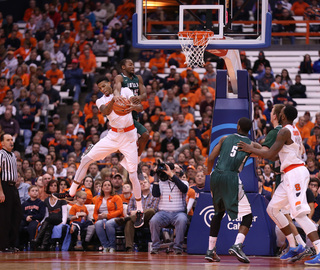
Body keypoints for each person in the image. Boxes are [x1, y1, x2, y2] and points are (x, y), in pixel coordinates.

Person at [238, 106, 320, 266]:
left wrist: (249, 148)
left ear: (282, 116)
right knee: (273, 209)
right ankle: (295, 245)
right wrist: (253, 149)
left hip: (295, 172)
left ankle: (318, 249)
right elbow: (275, 154)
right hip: (289, 174)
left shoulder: (284, 131)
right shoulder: (291, 130)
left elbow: (269, 155)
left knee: (299, 214)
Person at [68, 77, 145, 228]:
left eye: (104, 85)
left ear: (110, 83)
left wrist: (132, 106)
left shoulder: (125, 91)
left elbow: (141, 107)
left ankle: (140, 209)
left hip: (129, 136)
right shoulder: (100, 100)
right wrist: (114, 101)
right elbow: (106, 110)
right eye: (100, 87)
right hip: (113, 135)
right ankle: (71, 191)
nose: (103, 89)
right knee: (85, 159)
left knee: (133, 174)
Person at [205, 117, 254, 264]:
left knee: (218, 213)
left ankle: (210, 250)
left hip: (216, 176)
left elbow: (211, 158)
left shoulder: (225, 138)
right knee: (248, 216)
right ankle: (237, 245)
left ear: (238, 126)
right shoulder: (251, 144)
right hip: (231, 177)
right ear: (249, 130)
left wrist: (209, 175)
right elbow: (266, 152)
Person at [149, 162, 189, 255]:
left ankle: (178, 247)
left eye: (175, 168)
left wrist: (171, 175)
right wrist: (156, 176)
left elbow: (183, 189)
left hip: (179, 213)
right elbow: (155, 194)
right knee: (153, 221)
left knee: (182, 220)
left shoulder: (184, 182)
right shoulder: (161, 182)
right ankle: (155, 247)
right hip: (163, 213)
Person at [114, 58, 148, 158]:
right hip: (124, 112)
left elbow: (144, 95)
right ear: (123, 67)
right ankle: (136, 156)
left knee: (133, 141)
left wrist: (138, 97)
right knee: (145, 134)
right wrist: (116, 96)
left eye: (133, 65)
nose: (132, 67)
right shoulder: (120, 78)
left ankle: (135, 156)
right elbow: (117, 89)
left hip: (134, 110)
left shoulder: (138, 78)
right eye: (130, 65)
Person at [117, 174, 159, 251]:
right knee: (129, 222)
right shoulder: (135, 195)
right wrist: (135, 213)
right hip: (135, 220)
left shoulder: (154, 194)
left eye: (145, 183)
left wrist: (136, 212)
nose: (143, 185)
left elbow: (154, 209)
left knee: (151, 211)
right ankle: (129, 247)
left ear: (150, 184)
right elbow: (129, 210)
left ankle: (126, 219)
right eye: (141, 184)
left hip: (148, 220)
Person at [0, 134, 22, 252]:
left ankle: (12, 244)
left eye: (12, 140)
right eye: (8, 140)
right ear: (2, 143)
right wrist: (0, 192)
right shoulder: (0, 154)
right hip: (4, 186)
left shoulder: (13, 155)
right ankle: (3, 246)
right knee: (5, 217)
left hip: (13, 187)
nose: (11, 142)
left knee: (17, 214)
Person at [34, 179, 68, 251]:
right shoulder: (46, 200)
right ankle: (43, 245)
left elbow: (65, 213)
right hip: (50, 220)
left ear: (58, 187)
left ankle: (37, 239)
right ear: (48, 187)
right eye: (51, 186)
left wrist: (63, 223)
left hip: (58, 219)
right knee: (49, 226)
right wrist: (42, 222)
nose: (53, 187)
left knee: (48, 220)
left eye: (55, 186)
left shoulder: (62, 199)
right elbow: (46, 214)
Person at [93, 180, 123, 253]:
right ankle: (105, 246)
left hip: (116, 218)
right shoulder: (98, 199)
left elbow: (120, 211)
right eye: (105, 185)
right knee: (97, 224)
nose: (107, 186)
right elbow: (95, 213)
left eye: (109, 185)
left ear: (111, 187)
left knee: (109, 223)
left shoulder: (116, 197)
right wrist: (97, 217)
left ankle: (112, 246)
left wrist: (107, 216)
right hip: (102, 218)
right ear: (102, 188)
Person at [19, 185, 46, 250]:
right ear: (29, 193)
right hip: (26, 219)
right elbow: (21, 213)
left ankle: (33, 246)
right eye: (33, 191)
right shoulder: (25, 203)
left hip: (35, 220)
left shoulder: (41, 203)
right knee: (19, 226)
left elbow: (42, 215)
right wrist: (26, 217)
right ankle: (19, 245)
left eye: (36, 191)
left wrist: (32, 217)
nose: (35, 192)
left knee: (32, 227)